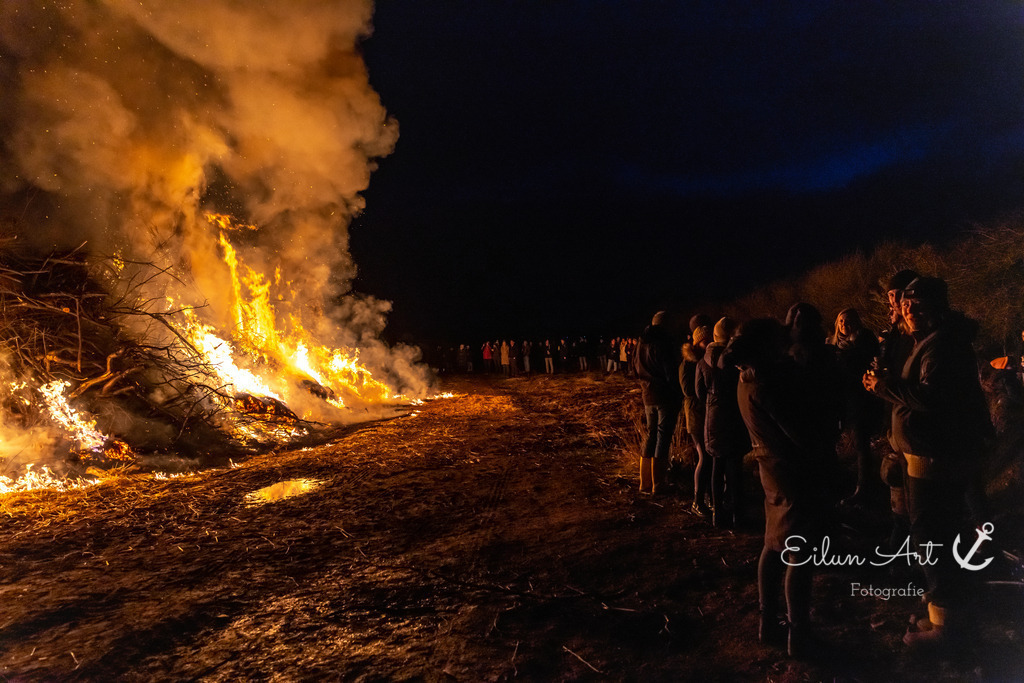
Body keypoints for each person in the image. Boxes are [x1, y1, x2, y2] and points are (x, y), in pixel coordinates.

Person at [864, 276, 994, 647]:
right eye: (906, 304)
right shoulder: (932, 341)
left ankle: (947, 627)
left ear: (938, 307)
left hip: (934, 456)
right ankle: (945, 607)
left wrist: (883, 387)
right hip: (927, 454)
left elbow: (931, 399)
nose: (908, 310)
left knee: (931, 536)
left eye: (917, 305)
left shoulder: (943, 347)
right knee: (936, 533)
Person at [730, 318, 832, 657]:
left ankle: (767, 623)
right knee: (799, 553)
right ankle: (798, 635)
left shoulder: (746, 378)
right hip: (791, 471)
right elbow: (799, 433)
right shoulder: (768, 384)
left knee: (773, 544)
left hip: (769, 468)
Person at [697, 317, 750, 528]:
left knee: (717, 466)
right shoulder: (739, 362)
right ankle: (738, 514)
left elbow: (700, 393)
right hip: (736, 416)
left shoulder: (702, 362)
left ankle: (717, 514)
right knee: (735, 467)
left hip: (714, 418)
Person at [829, 308, 881, 505]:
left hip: (861, 399)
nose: (844, 325)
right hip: (842, 399)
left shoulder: (864, 340)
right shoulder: (834, 344)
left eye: (849, 321)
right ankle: (847, 482)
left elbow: (857, 365)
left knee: (861, 442)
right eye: (841, 321)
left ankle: (864, 486)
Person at [633, 311, 683, 494]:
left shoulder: (640, 343)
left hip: (648, 396)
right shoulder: (664, 343)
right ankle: (658, 485)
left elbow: (635, 369)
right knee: (662, 438)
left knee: (650, 435)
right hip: (664, 397)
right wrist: (678, 393)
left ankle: (644, 483)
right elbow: (671, 373)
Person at [684, 324, 713, 517]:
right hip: (695, 415)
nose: (708, 343)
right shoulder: (688, 363)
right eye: (705, 340)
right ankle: (697, 501)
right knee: (704, 457)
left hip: (706, 414)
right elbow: (688, 390)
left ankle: (711, 498)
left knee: (709, 458)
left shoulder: (705, 360)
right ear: (697, 342)